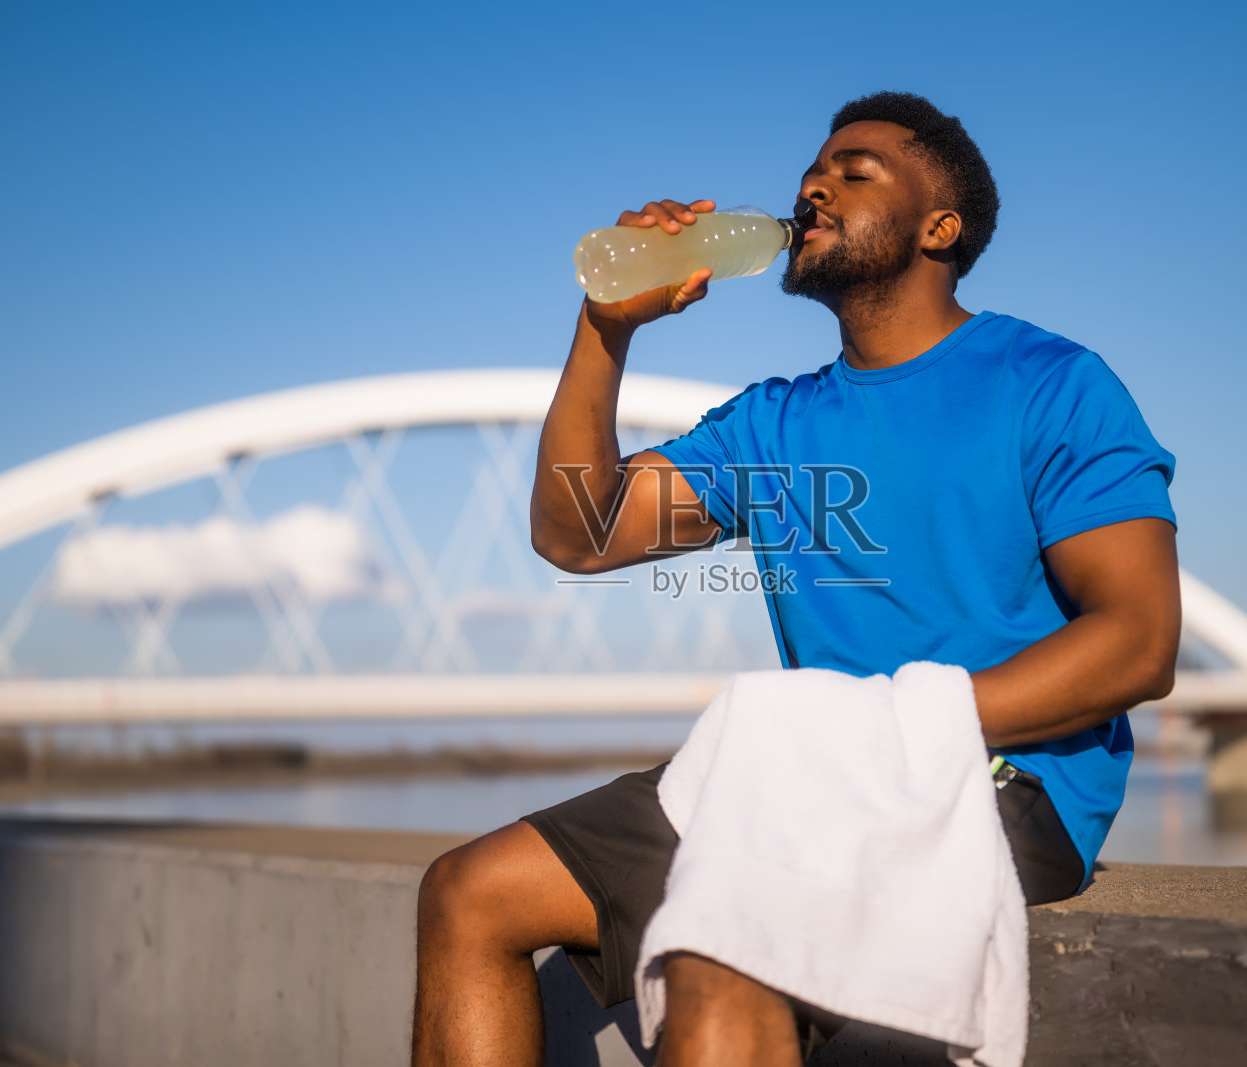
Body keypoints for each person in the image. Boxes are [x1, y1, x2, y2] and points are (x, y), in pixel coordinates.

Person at [413, 90, 1181, 1067]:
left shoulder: (1050, 382)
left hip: (995, 776)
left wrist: (893, 722)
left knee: (721, 950)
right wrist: (607, 327)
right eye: (813, 172)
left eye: (857, 173)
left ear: (939, 227)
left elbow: (1138, 640)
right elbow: (578, 532)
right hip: (807, 771)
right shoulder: (772, 422)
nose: (815, 186)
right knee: (469, 892)